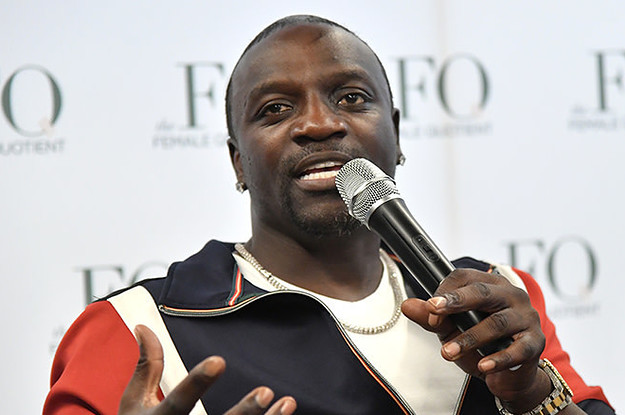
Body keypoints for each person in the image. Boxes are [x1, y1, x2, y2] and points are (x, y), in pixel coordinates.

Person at [44, 15, 614, 415]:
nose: (319, 124)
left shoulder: (497, 298)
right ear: (239, 162)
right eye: (275, 109)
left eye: (351, 98)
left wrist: (531, 393)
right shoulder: (136, 329)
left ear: (396, 135)